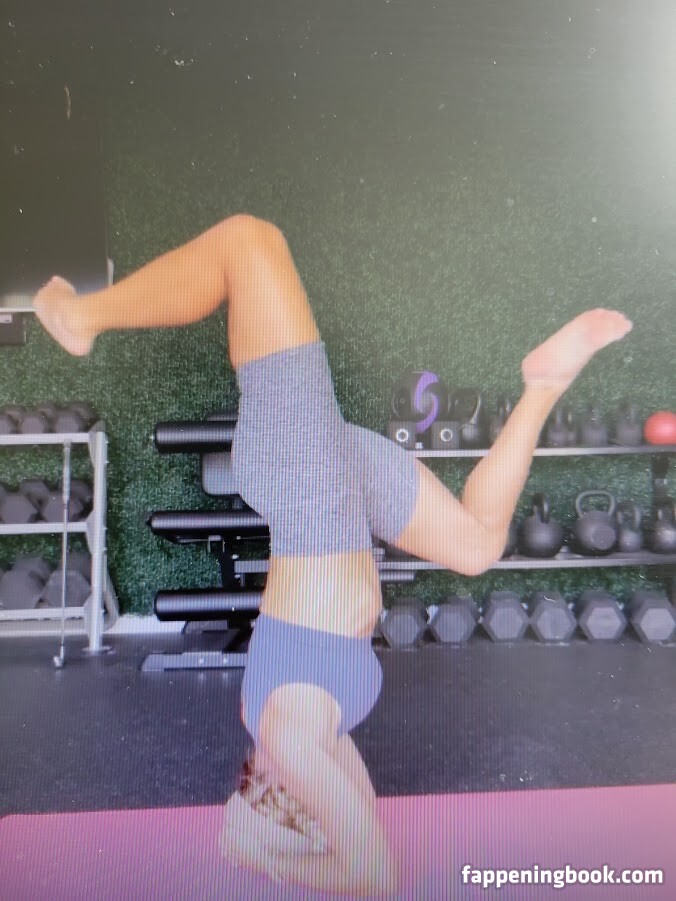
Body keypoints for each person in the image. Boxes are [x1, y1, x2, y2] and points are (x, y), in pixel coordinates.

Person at [34, 214, 632, 894]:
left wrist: (261, 852)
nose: (278, 795)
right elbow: (372, 874)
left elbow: (369, 873)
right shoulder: (321, 735)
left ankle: (80, 318)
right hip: (335, 488)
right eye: (290, 811)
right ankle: (544, 383)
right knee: (474, 545)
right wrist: (272, 852)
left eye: (265, 799)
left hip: (305, 488)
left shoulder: (286, 734)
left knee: (248, 241)